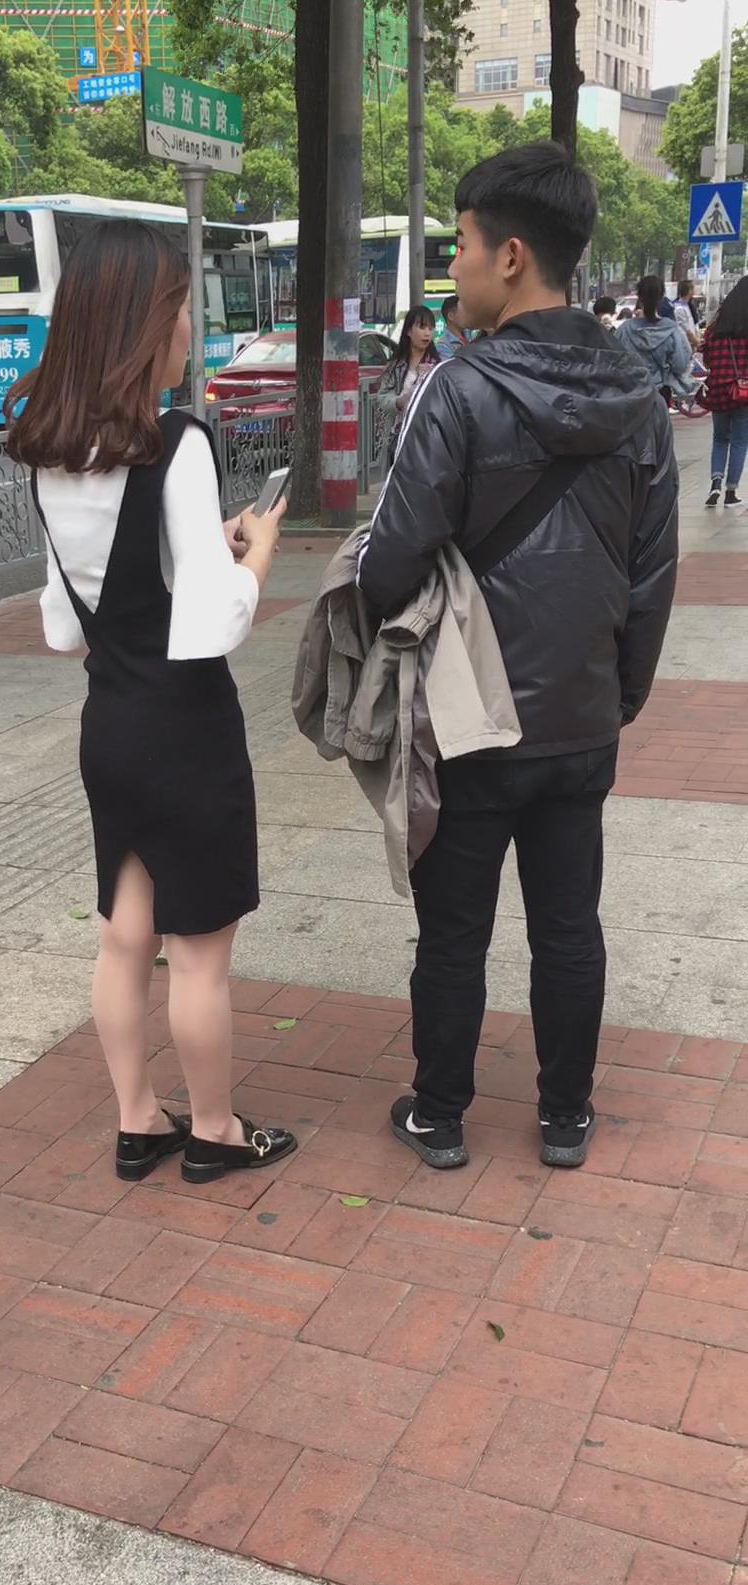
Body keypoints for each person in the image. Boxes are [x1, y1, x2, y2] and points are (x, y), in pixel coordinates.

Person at [356, 142, 678, 1173]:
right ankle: (565, 1115)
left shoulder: (455, 392)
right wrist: (617, 696)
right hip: (580, 719)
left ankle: (441, 1115)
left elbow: (390, 563)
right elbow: (652, 574)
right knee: (569, 927)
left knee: (454, 932)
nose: (451, 265)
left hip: (469, 717)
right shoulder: (639, 399)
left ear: (511, 255)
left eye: (460, 243)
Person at [4, 221, 294, 1185]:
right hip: (186, 729)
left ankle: (138, 1122)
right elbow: (215, 620)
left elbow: (65, 625)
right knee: (198, 954)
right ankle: (215, 1132)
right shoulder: (176, 442)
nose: (188, 332)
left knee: (125, 938)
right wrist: (255, 557)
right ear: (143, 324)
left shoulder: (51, 451)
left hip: (111, 724)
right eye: (179, 310)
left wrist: (199, 552)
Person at [700, 274, 748, 507]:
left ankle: (715, 484)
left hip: (718, 390)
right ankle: (731, 492)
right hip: (743, 392)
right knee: (740, 440)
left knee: (720, 438)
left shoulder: (715, 328)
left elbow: (706, 359)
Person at [618, 275, 694, 407]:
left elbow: (615, 362)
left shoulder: (624, 330)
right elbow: (680, 365)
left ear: (639, 296)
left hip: (631, 393)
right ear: (662, 297)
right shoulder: (671, 330)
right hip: (660, 393)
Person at [376, 305, 438, 456]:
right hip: (399, 437)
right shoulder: (395, 366)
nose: (427, 333)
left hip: (429, 438)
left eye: (430, 328)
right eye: (422, 327)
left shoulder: (438, 366)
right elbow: (382, 397)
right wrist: (398, 402)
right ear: (409, 331)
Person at [436, 293, 469, 361]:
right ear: (450, 316)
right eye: (463, 312)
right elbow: (452, 366)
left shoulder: (472, 335)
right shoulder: (443, 345)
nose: (467, 315)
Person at [673, 278, 701, 354]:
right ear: (689, 291)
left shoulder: (688, 305)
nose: (695, 290)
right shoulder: (679, 308)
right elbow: (686, 330)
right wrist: (696, 342)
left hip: (691, 345)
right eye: (693, 288)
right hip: (686, 346)